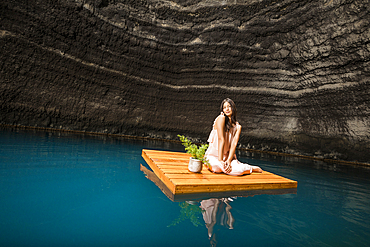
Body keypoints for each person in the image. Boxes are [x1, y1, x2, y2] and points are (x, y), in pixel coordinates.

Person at [204, 98, 263, 176]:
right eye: (224, 107)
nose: (227, 109)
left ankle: (250, 167)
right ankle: (223, 166)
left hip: (228, 157)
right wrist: (220, 160)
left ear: (233, 108)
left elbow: (233, 145)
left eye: (229, 106)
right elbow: (221, 139)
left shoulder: (238, 127)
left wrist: (228, 161)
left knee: (239, 171)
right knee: (216, 168)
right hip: (213, 156)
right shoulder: (221, 118)